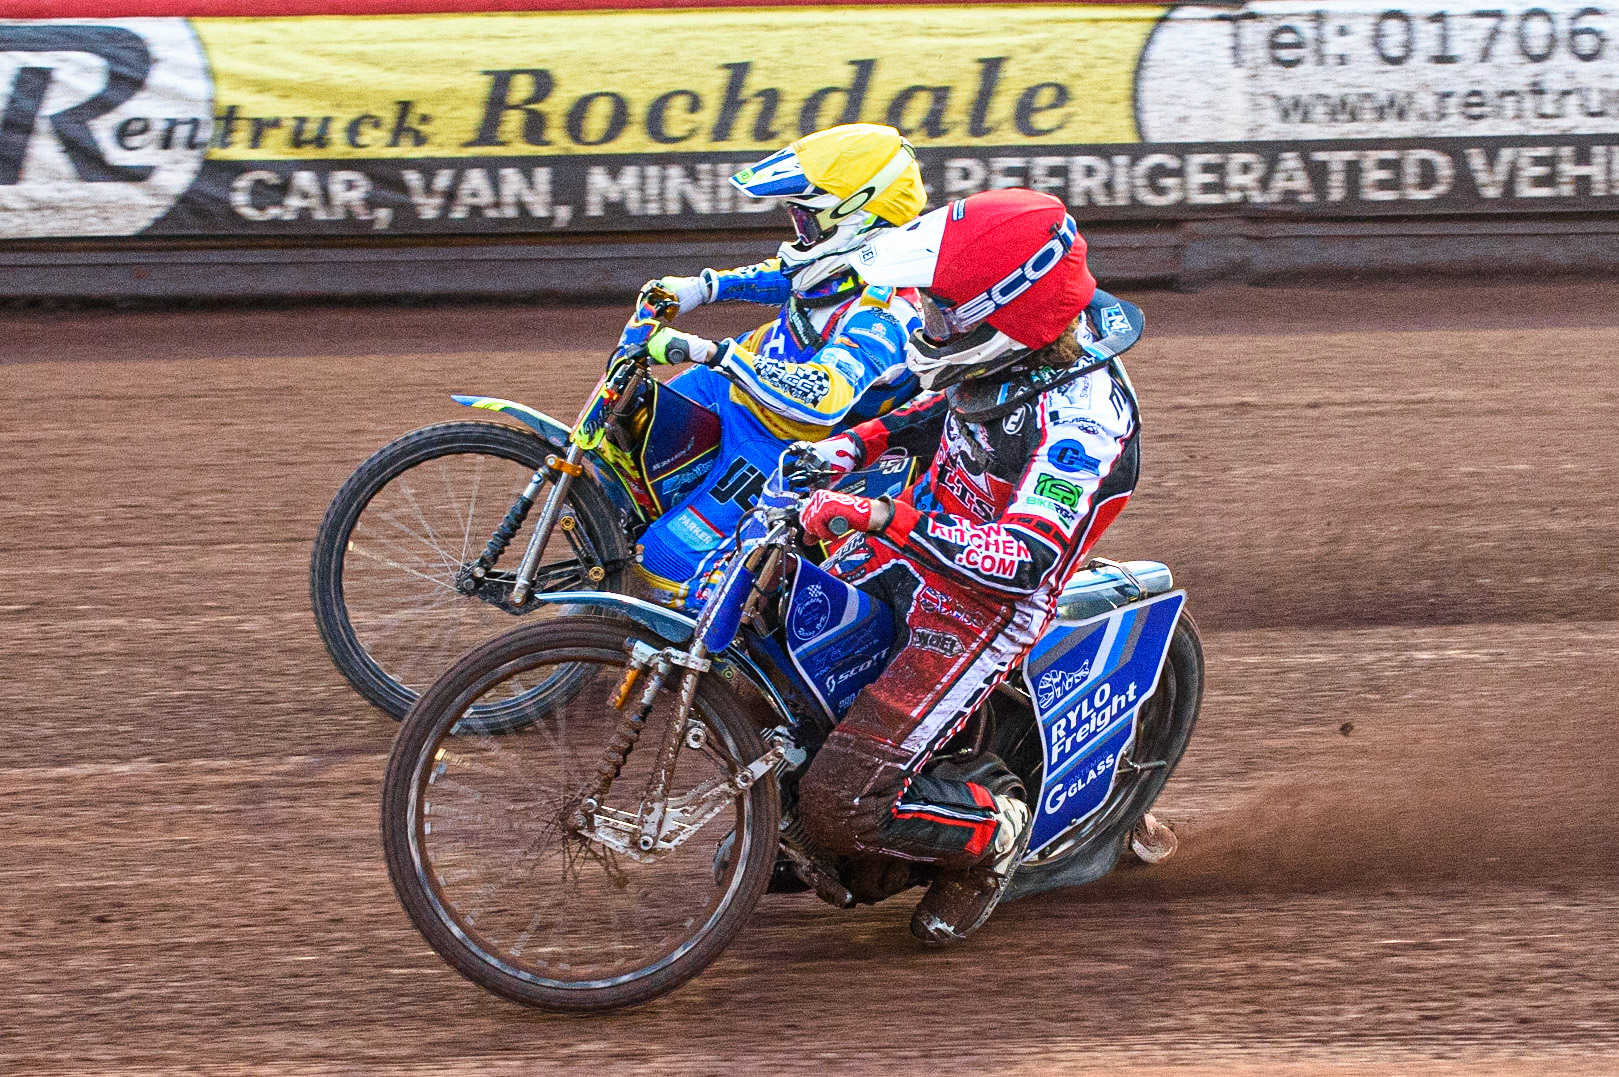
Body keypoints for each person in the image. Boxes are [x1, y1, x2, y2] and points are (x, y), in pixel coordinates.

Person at [790, 188, 1143, 944]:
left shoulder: (1084, 419)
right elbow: (939, 411)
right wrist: (851, 448)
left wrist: (887, 514)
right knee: (782, 653)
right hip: (914, 547)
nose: (929, 325)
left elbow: (1022, 557)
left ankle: (993, 837)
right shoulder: (1009, 358)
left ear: (1009, 313)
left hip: (981, 604)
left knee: (840, 800)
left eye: (945, 313)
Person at [622, 123, 929, 611]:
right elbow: (786, 276)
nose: (797, 234)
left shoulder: (887, 309)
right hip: (739, 386)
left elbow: (826, 396)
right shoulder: (838, 261)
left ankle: (711, 653)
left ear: (858, 216)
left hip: (787, 438)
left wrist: (714, 353)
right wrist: (701, 287)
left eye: (807, 222)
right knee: (631, 432)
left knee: (663, 560)